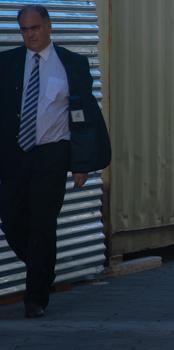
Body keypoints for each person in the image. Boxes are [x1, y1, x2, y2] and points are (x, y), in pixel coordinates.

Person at [0, 4, 111, 318]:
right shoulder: (7, 63)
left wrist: (81, 164)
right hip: (14, 155)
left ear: (48, 27)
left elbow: (84, 119)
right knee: (11, 221)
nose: (30, 35)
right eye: (24, 30)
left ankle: (35, 298)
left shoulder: (72, 64)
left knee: (42, 224)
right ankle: (43, 269)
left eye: (34, 28)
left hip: (52, 154)